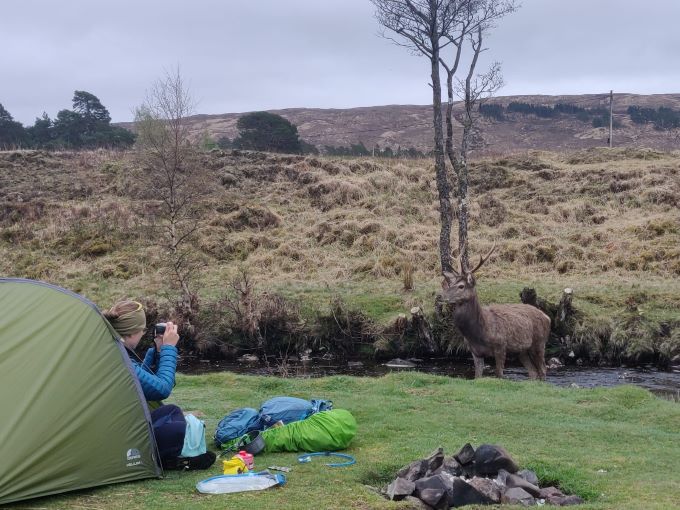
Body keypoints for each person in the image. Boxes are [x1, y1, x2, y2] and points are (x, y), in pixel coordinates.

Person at [103, 300, 215, 471]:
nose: (142, 334)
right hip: (118, 434)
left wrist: (157, 351)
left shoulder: (110, 349)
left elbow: (142, 380)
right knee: (177, 429)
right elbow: (161, 388)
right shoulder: (118, 360)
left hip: (118, 424)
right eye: (142, 330)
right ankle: (173, 461)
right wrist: (169, 348)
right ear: (132, 332)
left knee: (171, 411)